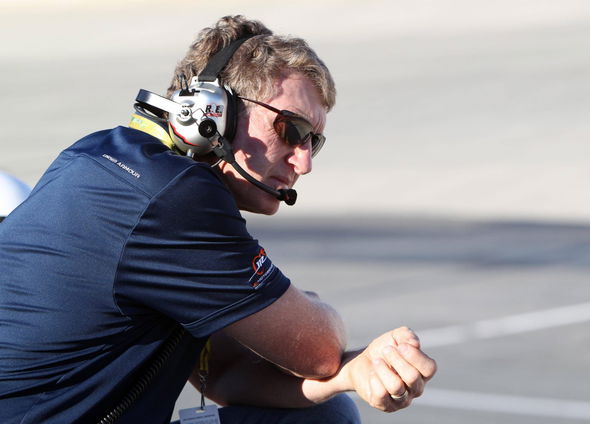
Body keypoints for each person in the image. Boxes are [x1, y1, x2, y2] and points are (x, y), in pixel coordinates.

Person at [0, 15, 436, 424]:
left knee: (324, 409)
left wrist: (349, 374)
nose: (303, 163)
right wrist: (315, 308)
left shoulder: (101, 155)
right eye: (292, 130)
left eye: (313, 142)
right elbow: (318, 347)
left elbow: (225, 374)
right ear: (212, 112)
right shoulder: (172, 197)